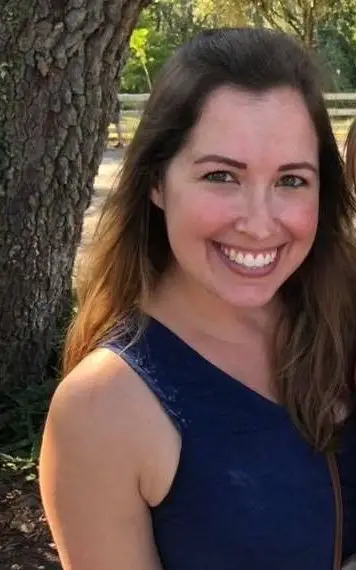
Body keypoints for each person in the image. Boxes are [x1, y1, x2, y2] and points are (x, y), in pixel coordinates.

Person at [39, 28, 356, 570]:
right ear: (156, 183)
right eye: (220, 175)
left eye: (292, 180)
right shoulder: (103, 408)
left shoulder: (341, 310)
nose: (259, 223)